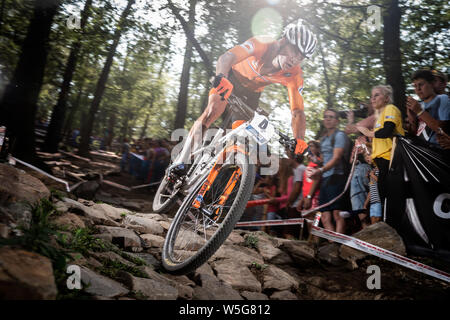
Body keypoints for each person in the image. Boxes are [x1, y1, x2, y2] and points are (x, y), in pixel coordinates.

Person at [170, 19, 317, 176]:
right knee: (212, 111)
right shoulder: (263, 43)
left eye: (301, 57)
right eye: (295, 52)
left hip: (252, 94)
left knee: (241, 137)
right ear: (284, 41)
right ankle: (181, 160)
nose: (295, 59)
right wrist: (222, 76)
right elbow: (227, 57)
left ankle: (212, 175)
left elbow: (297, 111)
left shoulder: (294, 74)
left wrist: (299, 138)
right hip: (231, 78)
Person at [357, 85, 404, 205]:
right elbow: (383, 139)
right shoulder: (379, 118)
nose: (372, 99)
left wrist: (368, 133)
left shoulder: (390, 108)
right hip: (381, 163)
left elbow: (387, 131)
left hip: (391, 161)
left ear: (387, 98)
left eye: (377, 95)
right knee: (384, 199)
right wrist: (367, 145)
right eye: (371, 96)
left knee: (390, 200)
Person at [309, 109, 351, 235]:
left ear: (337, 121)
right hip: (325, 179)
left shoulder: (339, 135)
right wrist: (316, 161)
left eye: (331, 117)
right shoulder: (323, 139)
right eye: (326, 117)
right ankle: (332, 245)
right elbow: (325, 160)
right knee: (325, 216)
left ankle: (339, 245)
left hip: (337, 177)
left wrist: (320, 170)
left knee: (337, 214)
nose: (328, 119)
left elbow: (336, 158)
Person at [406, 69, 450, 152]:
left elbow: (440, 128)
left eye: (421, 84)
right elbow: (414, 133)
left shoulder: (442, 99)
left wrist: (419, 111)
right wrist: (411, 117)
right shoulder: (419, 104)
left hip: (436, 152)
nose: (418, 89)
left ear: (431, 84)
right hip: (421, 149)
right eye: (415, 86)